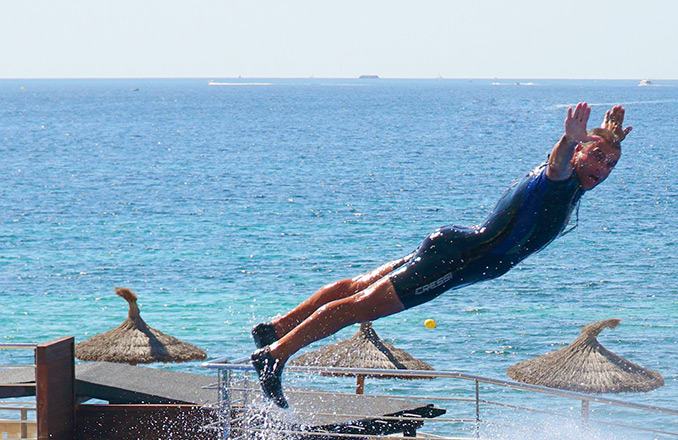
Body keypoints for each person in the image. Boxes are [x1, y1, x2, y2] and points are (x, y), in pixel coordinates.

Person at [247, 102, 632, 407]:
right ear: (578, 151)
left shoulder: (575, 181)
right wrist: (569, 140)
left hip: (453, 246)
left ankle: (277, 327)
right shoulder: (559, 179)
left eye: (610, 164)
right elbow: (558, 163)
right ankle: (276, 353)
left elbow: (577, 161)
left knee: (358, 287)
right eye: (596, 157)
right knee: (359, 307)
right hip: (454, 261)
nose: (604, 168)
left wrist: (609, 136)